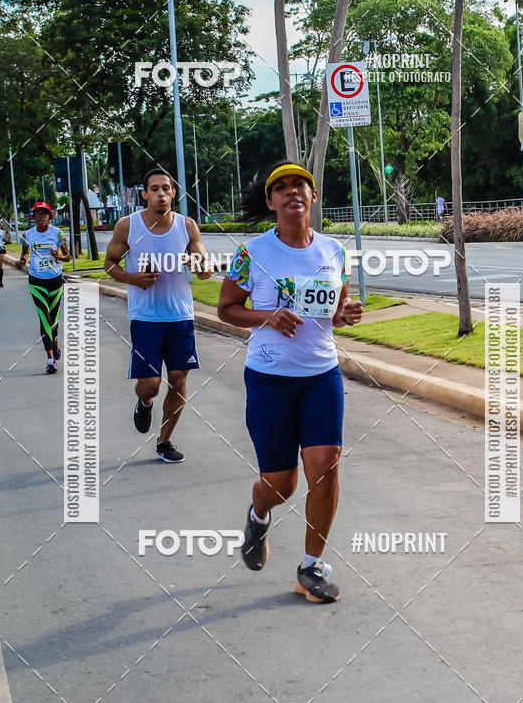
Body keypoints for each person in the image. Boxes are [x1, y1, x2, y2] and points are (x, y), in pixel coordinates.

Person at [218, 160, 363, 603]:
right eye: (281, 187)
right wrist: (267, 316)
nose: (292, 191)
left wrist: (346, 314)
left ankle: (310, 567)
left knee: (325, 465)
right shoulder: (251, 253)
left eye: (300, 184)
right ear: (271, 202)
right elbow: (226, 308)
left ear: (313, 196)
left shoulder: (335, 251)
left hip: (321, 375)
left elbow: (334, 312)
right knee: (282, 485)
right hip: (269, 379)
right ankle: (258, 515)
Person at [104, 168, 212, 463]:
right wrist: (132, 278)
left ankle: (164, 441)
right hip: (146, 319)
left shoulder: (187, 226)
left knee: (178, 378)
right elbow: (109, 263)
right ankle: (144, 401)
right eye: (154, 189)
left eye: (166, 188)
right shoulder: (128, 226)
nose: (161, 194)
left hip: (180, 317)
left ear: (173, 193)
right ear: (145, 194)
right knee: (150, 384)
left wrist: (197, 265)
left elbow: (206, 271)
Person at [16, 203, 71, 374]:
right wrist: (22, 261)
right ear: (33, 217)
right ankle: (50, 359)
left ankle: (54, 340)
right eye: (38, 214)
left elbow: (68, 257)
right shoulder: (27, 235)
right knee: (44, 317)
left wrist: (58, 256)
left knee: (53, 318)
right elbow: (25, 253)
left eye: (44, 214)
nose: (41, 217)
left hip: (55, 281)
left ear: (50, 217)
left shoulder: (58, 233)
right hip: (36, 281)